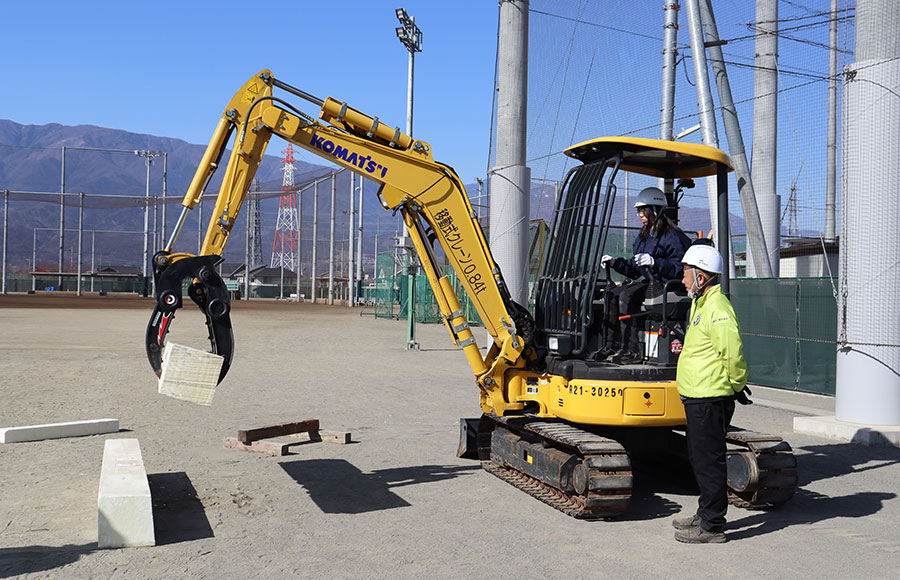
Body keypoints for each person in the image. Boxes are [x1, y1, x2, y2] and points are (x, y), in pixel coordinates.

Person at [672, 243, 749, 544]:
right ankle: (706, 513)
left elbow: (732, 352)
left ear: (701, 278)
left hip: (709, 397)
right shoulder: (700, 304)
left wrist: (737, 384)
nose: (682, 279)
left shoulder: (717, 309)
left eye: (685, 273)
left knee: (709, 461)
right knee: (699, 458)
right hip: (696, 396)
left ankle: (713, 525)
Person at [599, 187, 691, 363]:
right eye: (639, 211)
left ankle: (632, 351)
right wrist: (614, 263)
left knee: (627, 295)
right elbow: (634, 268)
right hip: (648, 282)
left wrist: (656, 263)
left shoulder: (672, 236)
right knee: (611, 293)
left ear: (656, 210)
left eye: (643, 210)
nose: (640, 214)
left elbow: (682, 268)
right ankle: (610, 345)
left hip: (665, 284)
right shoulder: (644, 237)